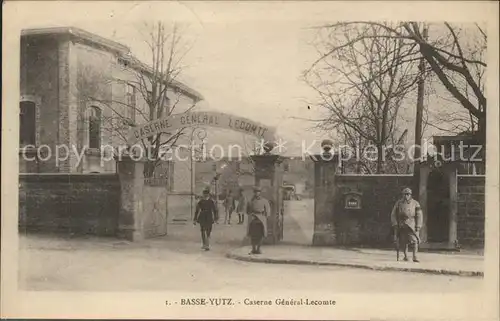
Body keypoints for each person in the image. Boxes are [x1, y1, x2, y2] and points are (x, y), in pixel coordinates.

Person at [390, 187, 423, 262]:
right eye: (405, 194)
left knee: (414, 241)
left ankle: (415, 256)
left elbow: (419, 215)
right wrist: (395, 224)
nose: (406, 196)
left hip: (412, 224)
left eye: (408, 194)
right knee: (404, 241)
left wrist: (418, 225)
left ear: (410, 195)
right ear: (402, 195)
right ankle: (406, 256)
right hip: (402, 225)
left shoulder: (415, 203)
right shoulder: (398, 203)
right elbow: (393, 214)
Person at [246, 186, 271, 255]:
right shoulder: (250, 201)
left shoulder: (264, 201)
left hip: (261, 220)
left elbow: (268, 211)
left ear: (260, 193)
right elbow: (247, 211)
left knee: (261, 235)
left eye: (258, 192)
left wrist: (264, 216)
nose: (257, 193)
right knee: (252, 235)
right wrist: (252, 215)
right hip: (253, 220)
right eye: (255, 192)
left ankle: (258, 249)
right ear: (254, 193)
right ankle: (253, 249)